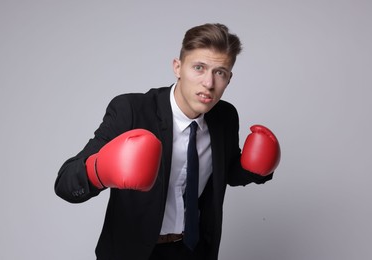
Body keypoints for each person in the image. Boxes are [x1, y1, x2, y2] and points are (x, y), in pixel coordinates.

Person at [55, 23, 280, 260]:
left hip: (193, 250)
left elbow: (227, 172)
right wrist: (98, 171)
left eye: (220, 72)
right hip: (134, 253)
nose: (209, 83)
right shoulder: (131, 111)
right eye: (199, 68)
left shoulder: (224, 117)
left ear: (229, 78)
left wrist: (255, 169)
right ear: (178, 67)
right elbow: (65, 184)